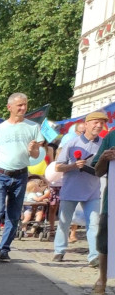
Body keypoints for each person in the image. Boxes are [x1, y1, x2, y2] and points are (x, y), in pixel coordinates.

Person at [0, 92, 45, 263]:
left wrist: (33, 150)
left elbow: (36, 154)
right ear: (10, 107)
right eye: (19, 105)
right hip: (0, 174)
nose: (23, 108)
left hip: (21, 175)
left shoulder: (33, 127)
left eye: (25, 105)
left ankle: (5, 249)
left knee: (14, 215)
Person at [53, 111, 105, 266]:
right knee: (64, 222)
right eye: (96, 122)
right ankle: (59, 250)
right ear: (87, 124)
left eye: (101, 123)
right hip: (71, 189)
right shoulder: (72, 143)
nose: (99, 125)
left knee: (94, 224)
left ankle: (94, 256)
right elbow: (58, 167)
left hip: (92, 190)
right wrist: (73, 166)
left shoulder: (104, 144)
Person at [89, 122, 114, 295]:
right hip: (112, 199)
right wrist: (104, 158)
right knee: (105, 240)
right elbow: (97, 171)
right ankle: (102, 280)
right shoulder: (111, 137)